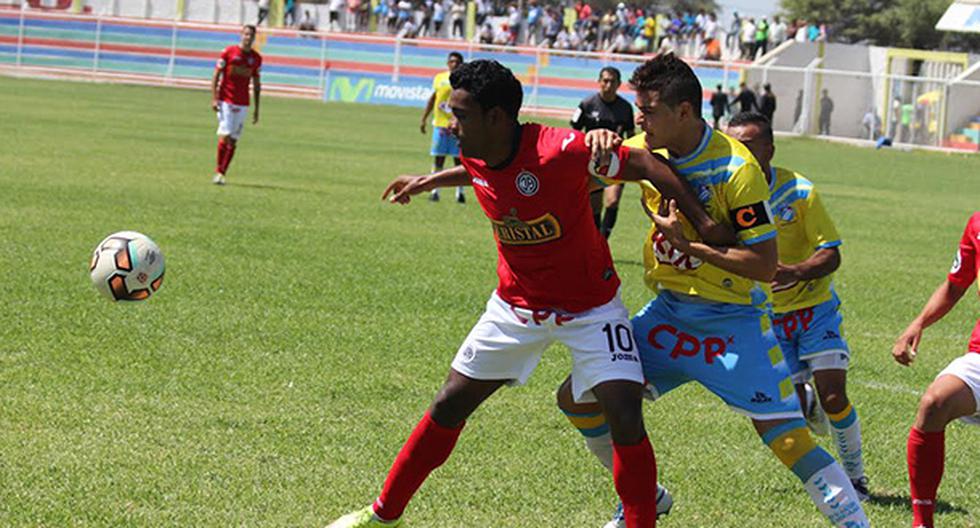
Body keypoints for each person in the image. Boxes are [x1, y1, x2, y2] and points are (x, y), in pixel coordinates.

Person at [327, 58, 731, 528]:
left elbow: (643, 162)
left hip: (592, 309)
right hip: (515, 307)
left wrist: (702, 222)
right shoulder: (479, 149)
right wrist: (428, 181)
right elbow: (479, 172)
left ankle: (644, 517)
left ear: (497, 118)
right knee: (448, 404)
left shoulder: (559, 149)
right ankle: (381, 515)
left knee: (624, 412)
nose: (451, 125)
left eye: (460, 115)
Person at [556, 54, 870, 528]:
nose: (638, 118)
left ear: (684, 111)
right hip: (667, 316)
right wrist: (593, 142)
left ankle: (857, 523)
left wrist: (691, 246)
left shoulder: (735, 170)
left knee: (788, 440)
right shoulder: (643, 148)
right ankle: (646, 497)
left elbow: (764, 266)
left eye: (650, 109)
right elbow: (571, 175)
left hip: (734, 321)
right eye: (637, 108)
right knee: (577, 398)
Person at [727, 111, 870, 502]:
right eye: (733, 144)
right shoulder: (725, 193)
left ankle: (855, 480)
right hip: (767, 316)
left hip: (814, 308)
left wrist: (796, 272)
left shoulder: (799, 192)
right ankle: (810, 406)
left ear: (769, 149)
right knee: (788, 407)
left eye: (749, 145)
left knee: (834, 396)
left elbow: (831, 253)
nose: (740, 152)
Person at [893, 212, 980, 528]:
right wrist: (918, 323)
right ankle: (922, 522)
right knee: (934, 403)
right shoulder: (977, 225)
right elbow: (955, 285)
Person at [570, 66, 634, 239]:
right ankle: (596, 241)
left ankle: (603, 240)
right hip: (592, 163)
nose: (608, 85)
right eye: (605, 80)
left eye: (613, 81)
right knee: (594, 207)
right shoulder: (587, 104)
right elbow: (574, 131)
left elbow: (631, 136)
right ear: (599, 82)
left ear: (619, 84)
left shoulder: (625, 108)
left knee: (612, 201)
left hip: (616, 163)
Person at [210, 25, 261, 185]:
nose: (248, 37)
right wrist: (214, 98)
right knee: (225, 135)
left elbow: (257, 83)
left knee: (233, 140)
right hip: (226, 100)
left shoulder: (256, 58)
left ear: (253, 38)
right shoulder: (228, 52)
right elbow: (216, 75)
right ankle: (218, 171)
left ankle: (222, 173)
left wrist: (257, 108)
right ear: (241, 35)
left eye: (251, 35)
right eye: (246, 34)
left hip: (243, 102)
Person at [420, 52, 466, 203]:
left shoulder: (464, 81)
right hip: (440, 125)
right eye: (451, 61)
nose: (454, 64)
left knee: (458, 160)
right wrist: (424, 118)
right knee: (438, 158)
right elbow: (434, 98)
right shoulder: (440, 78)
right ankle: (435, 191)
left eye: (457, 62)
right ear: (447, 63)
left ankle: (460, 193)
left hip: (457, 127)